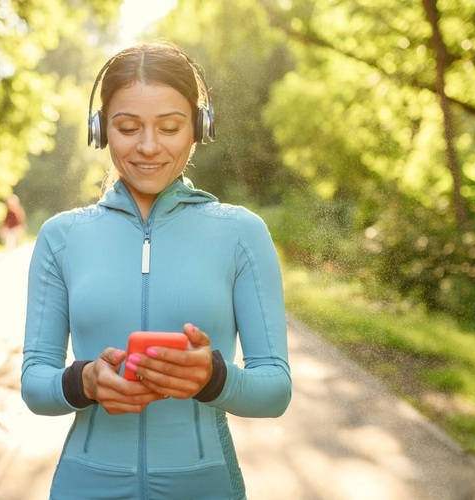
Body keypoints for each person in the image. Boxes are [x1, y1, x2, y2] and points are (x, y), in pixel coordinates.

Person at [21, 40, 291, 499]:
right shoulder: (61, 236)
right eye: (127, 128)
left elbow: (275, 388)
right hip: (84, 485)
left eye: (169, 127)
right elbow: (34, 382)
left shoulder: (242, 233)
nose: (148, 147)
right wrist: (82, 380)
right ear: (101, 129)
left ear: (198, 127)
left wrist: (214, 377)